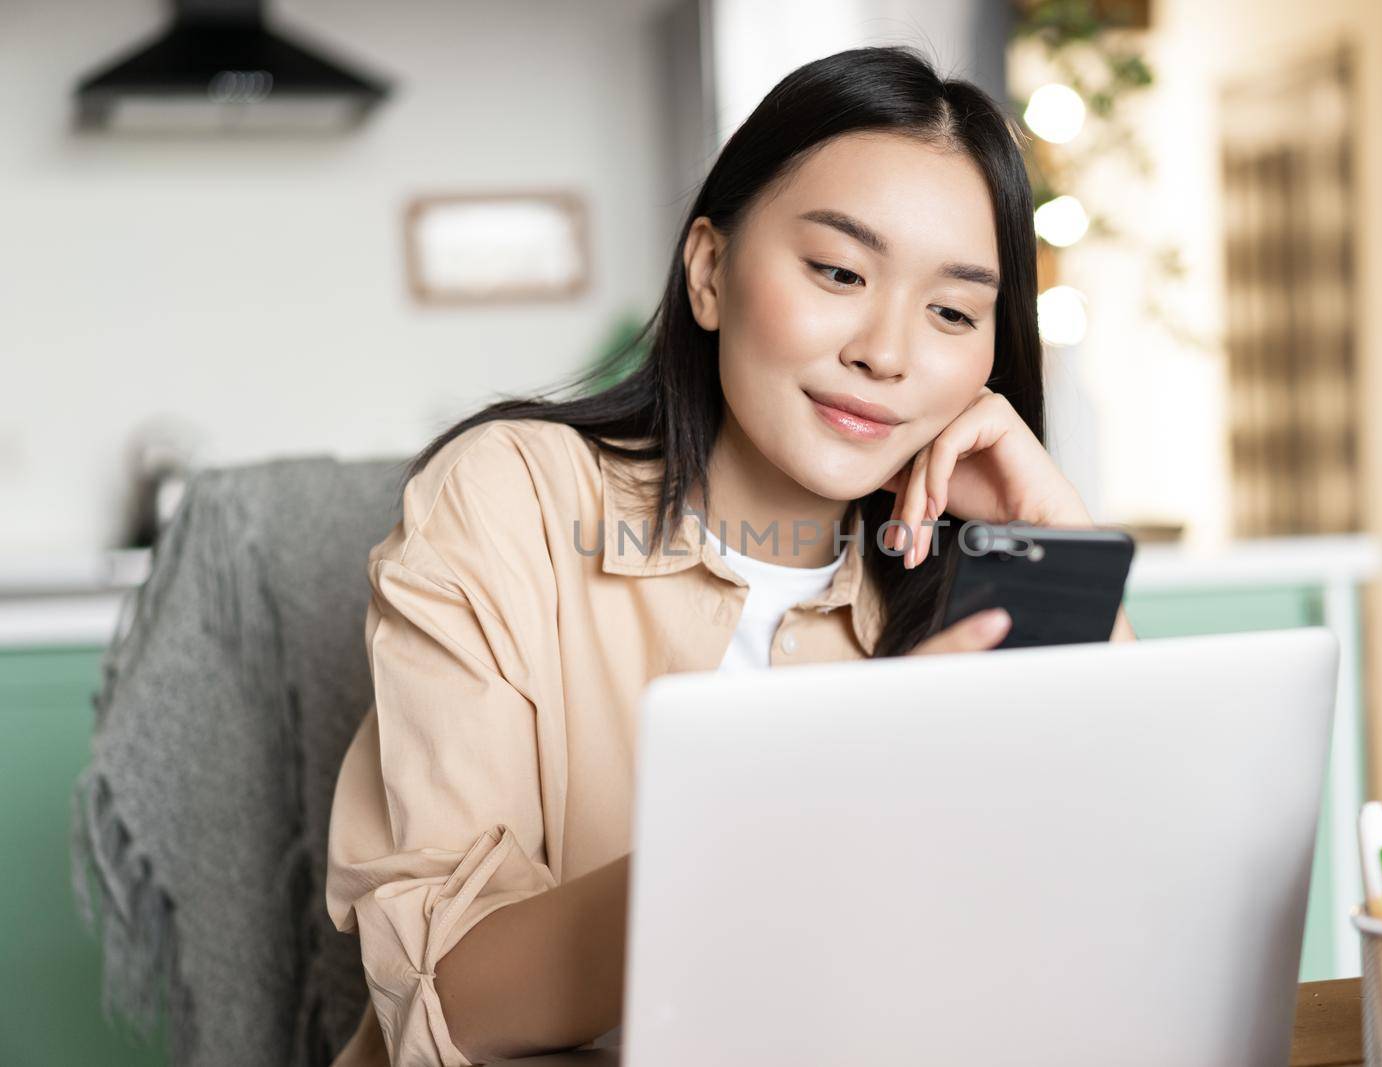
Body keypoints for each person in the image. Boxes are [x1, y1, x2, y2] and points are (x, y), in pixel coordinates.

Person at [324, 44, 1135, 1067]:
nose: (886, 351)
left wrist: (1054, 551)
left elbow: (1099, 930)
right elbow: (449, 998)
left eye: (951, 311)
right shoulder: (513, 495)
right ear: (710, 272)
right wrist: (806, 795)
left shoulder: (957, 586)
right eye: (839, 271)